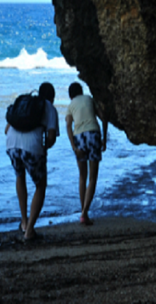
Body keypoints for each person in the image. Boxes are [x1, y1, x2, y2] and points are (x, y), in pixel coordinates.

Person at [5, 82, 59, 241]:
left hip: (11, 145)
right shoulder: (49, 107)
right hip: (31, 147)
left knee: (20, 176)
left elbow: (6, 129)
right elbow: (50, 137)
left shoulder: (26, 104)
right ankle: (29, 231)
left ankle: (23, 222)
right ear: (52, 97)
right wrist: (44, 149)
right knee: (40, 185)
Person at [65, 81, 108, 226]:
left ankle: (83, 212)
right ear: (81, 91)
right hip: (93, 134)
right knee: (93, 178)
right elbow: (104, 118)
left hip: (79, 138)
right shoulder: (89, 99)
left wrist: (73, 146)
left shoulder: (71, 106)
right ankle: (84, 213)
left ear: (71, 96)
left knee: (82, 177)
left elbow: (68, 126)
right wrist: (104, 139)